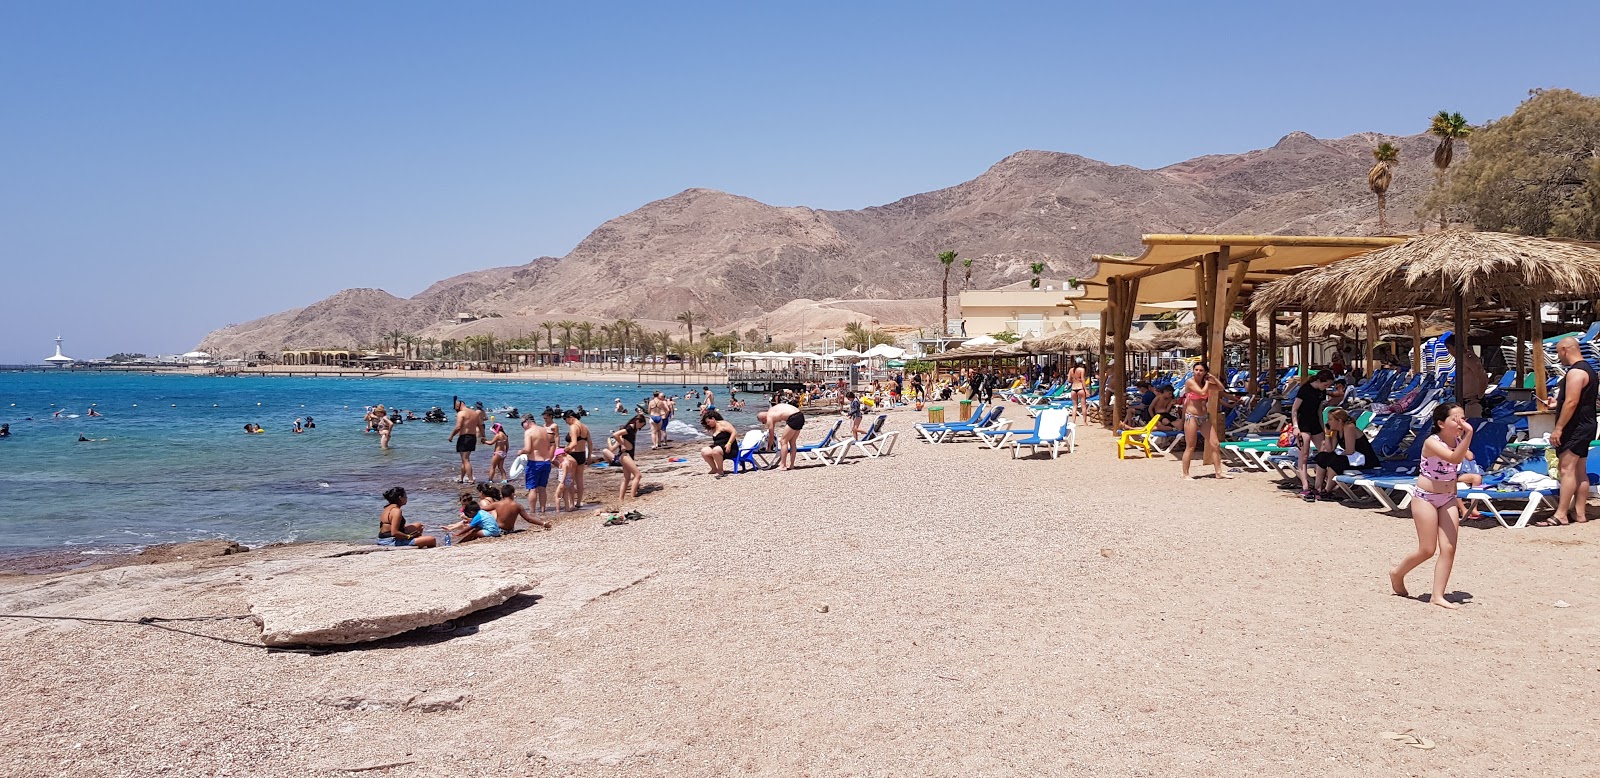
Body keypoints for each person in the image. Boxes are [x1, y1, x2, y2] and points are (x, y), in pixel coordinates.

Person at [1390, 404, 1474, 609]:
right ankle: (1397, 573)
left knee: (1449, 548)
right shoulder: (1431, 442)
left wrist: (1462, 441)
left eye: (1463, 419)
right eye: (1456, 419)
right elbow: (1455, 457)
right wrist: (1469, 434)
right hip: (1425, 497)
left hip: (1447, 497)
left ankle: (1437, 595)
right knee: (1427, 549)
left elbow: (1467, 456)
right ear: (1440, 423)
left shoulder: (1456, 441)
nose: (1461, 423)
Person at [1538, 336, 1596, 526]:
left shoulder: (1576, 372)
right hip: (1587, 424)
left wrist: (1558, 428)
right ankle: (1579, 513)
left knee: (1567, 469)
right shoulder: (1589, 370)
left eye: (1558, 352)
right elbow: (1576, 400)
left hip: (1576, 426)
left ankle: (1561, 513)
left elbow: (1572, 402)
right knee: (1580, 470)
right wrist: (1557, 403)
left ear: (1565, 350)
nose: (1558, 356)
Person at [1179, 362, 1234, 480]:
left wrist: (1213, 378)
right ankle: (1185, 473)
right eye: (1196, 370)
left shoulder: (1204, 383)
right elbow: (1202, 393)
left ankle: (1219, 472)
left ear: (1205, 372)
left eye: (1201, 370)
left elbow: (1220, 388)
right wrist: (1209, 382)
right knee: (1190, 446)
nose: (1198, 372)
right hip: (1191, 417)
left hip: (1204, 417)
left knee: (1215, 444)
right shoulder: (1190, 382)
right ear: (1193, 371)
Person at [1311, 409, 1377, 499]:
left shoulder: (1349, 427)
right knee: (1322, 456)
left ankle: (1327, 490)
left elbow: (1350, 450)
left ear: (1339, 421)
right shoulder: (1336, 430)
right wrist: (1327, 434)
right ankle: (1318, 488)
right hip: (1353, 459)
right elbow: (1330, 449)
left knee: (1335, 461)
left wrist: (1334, 457)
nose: (1327, 422)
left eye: (1330, 419)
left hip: (1366, 460)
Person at [1292, 370, 1335, 500]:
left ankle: (1319, 486)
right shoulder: (1304, 390)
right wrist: (1295, 426)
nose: (1326, 388)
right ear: (1319, 381)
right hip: (1303, 424)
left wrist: (1323, 428)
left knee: (1324, 451)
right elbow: (1294, 409)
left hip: (1315, 423)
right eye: (1326, 385)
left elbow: (1319, 411)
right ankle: (1305, 486)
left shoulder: (1321, 392)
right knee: (1304, 455)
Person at [1446, 334, 1489, 417]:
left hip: (1472, 402)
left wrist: (1479, 397)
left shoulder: (1468, 358)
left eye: (1449, 348)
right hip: (1464, 402)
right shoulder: (1460, 359)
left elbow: (1482, 376)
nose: (1448, 351)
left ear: (1455, 346)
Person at [520, 415, 555, 516]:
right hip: (546, 462)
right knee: (542, 487)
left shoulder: (529, 432)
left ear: (527, 421)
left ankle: (532, 512)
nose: (523, 427)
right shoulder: (544, 430)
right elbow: (549, 445)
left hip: (535, 463)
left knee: (533, 488)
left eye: (522, 424)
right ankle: (543, 510)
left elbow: (528, 449)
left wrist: (520, 451)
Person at [447, 397, 485, 483]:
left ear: (457, 406)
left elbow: (458, 427)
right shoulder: (475, 413)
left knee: (466, 459)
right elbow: (481, 425)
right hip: (472, 437)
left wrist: (451, 436)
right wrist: (483, 436)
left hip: (464, 437)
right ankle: (461, 478)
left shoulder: (461, 413)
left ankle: (471, 479)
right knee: (464, 459)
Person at [760, 402, 805, 471]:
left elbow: (771, 434)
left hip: (793, 417)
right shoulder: (773, 410)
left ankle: (783, 465)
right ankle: (791, 465)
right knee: (792, 442)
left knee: (783, 441)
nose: (764, 423)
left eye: (763, 422)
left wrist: (769, 447)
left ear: (763, 418)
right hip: (800, 416)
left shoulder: (769, 416)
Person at [609, 415, 643, 503]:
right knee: (638, 475)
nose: (641, 427)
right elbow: (615, 434)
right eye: (641, 425)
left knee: (627, 478)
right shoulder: (629, 428)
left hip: (628, 455)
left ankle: (621, 499)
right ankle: (632, 496)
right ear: (637, 421)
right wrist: (622, 444)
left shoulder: (633, 429)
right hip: (625, 455)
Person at [562, 410, 591, 509]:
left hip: (573, 455)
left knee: (570, 479)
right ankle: (578, 502)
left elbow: (574, 443)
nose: (565, 422)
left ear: (570, 417)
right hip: (582, 454)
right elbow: (590, 444)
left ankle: (571, 503)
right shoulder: (585, 427)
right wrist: (589, 457)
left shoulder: (573, 427)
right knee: (579, 480)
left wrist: (565, 450)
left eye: (565, 419)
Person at [700, 411, 739, 475]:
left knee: (716, 450)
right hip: (718, 448)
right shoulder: (713, 427)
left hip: (730, 448)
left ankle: (720, 470)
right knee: (704, 451)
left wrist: (729, 444)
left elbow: (734, 432)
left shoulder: (723, 423)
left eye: (708, 422)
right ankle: (714, 468)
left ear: (713, 418)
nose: (708, 424)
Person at [1068, 360, 1089, 427]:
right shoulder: (1081, 369)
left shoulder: (1071, 370)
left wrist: (1074, 380)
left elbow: (1069, 380)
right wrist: (1086, 390)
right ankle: (1084, 422)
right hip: (1080, 388)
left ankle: (1073, 422)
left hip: (1073, 389)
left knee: (1074, 406)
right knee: (1083, 406)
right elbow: (1083, 380)